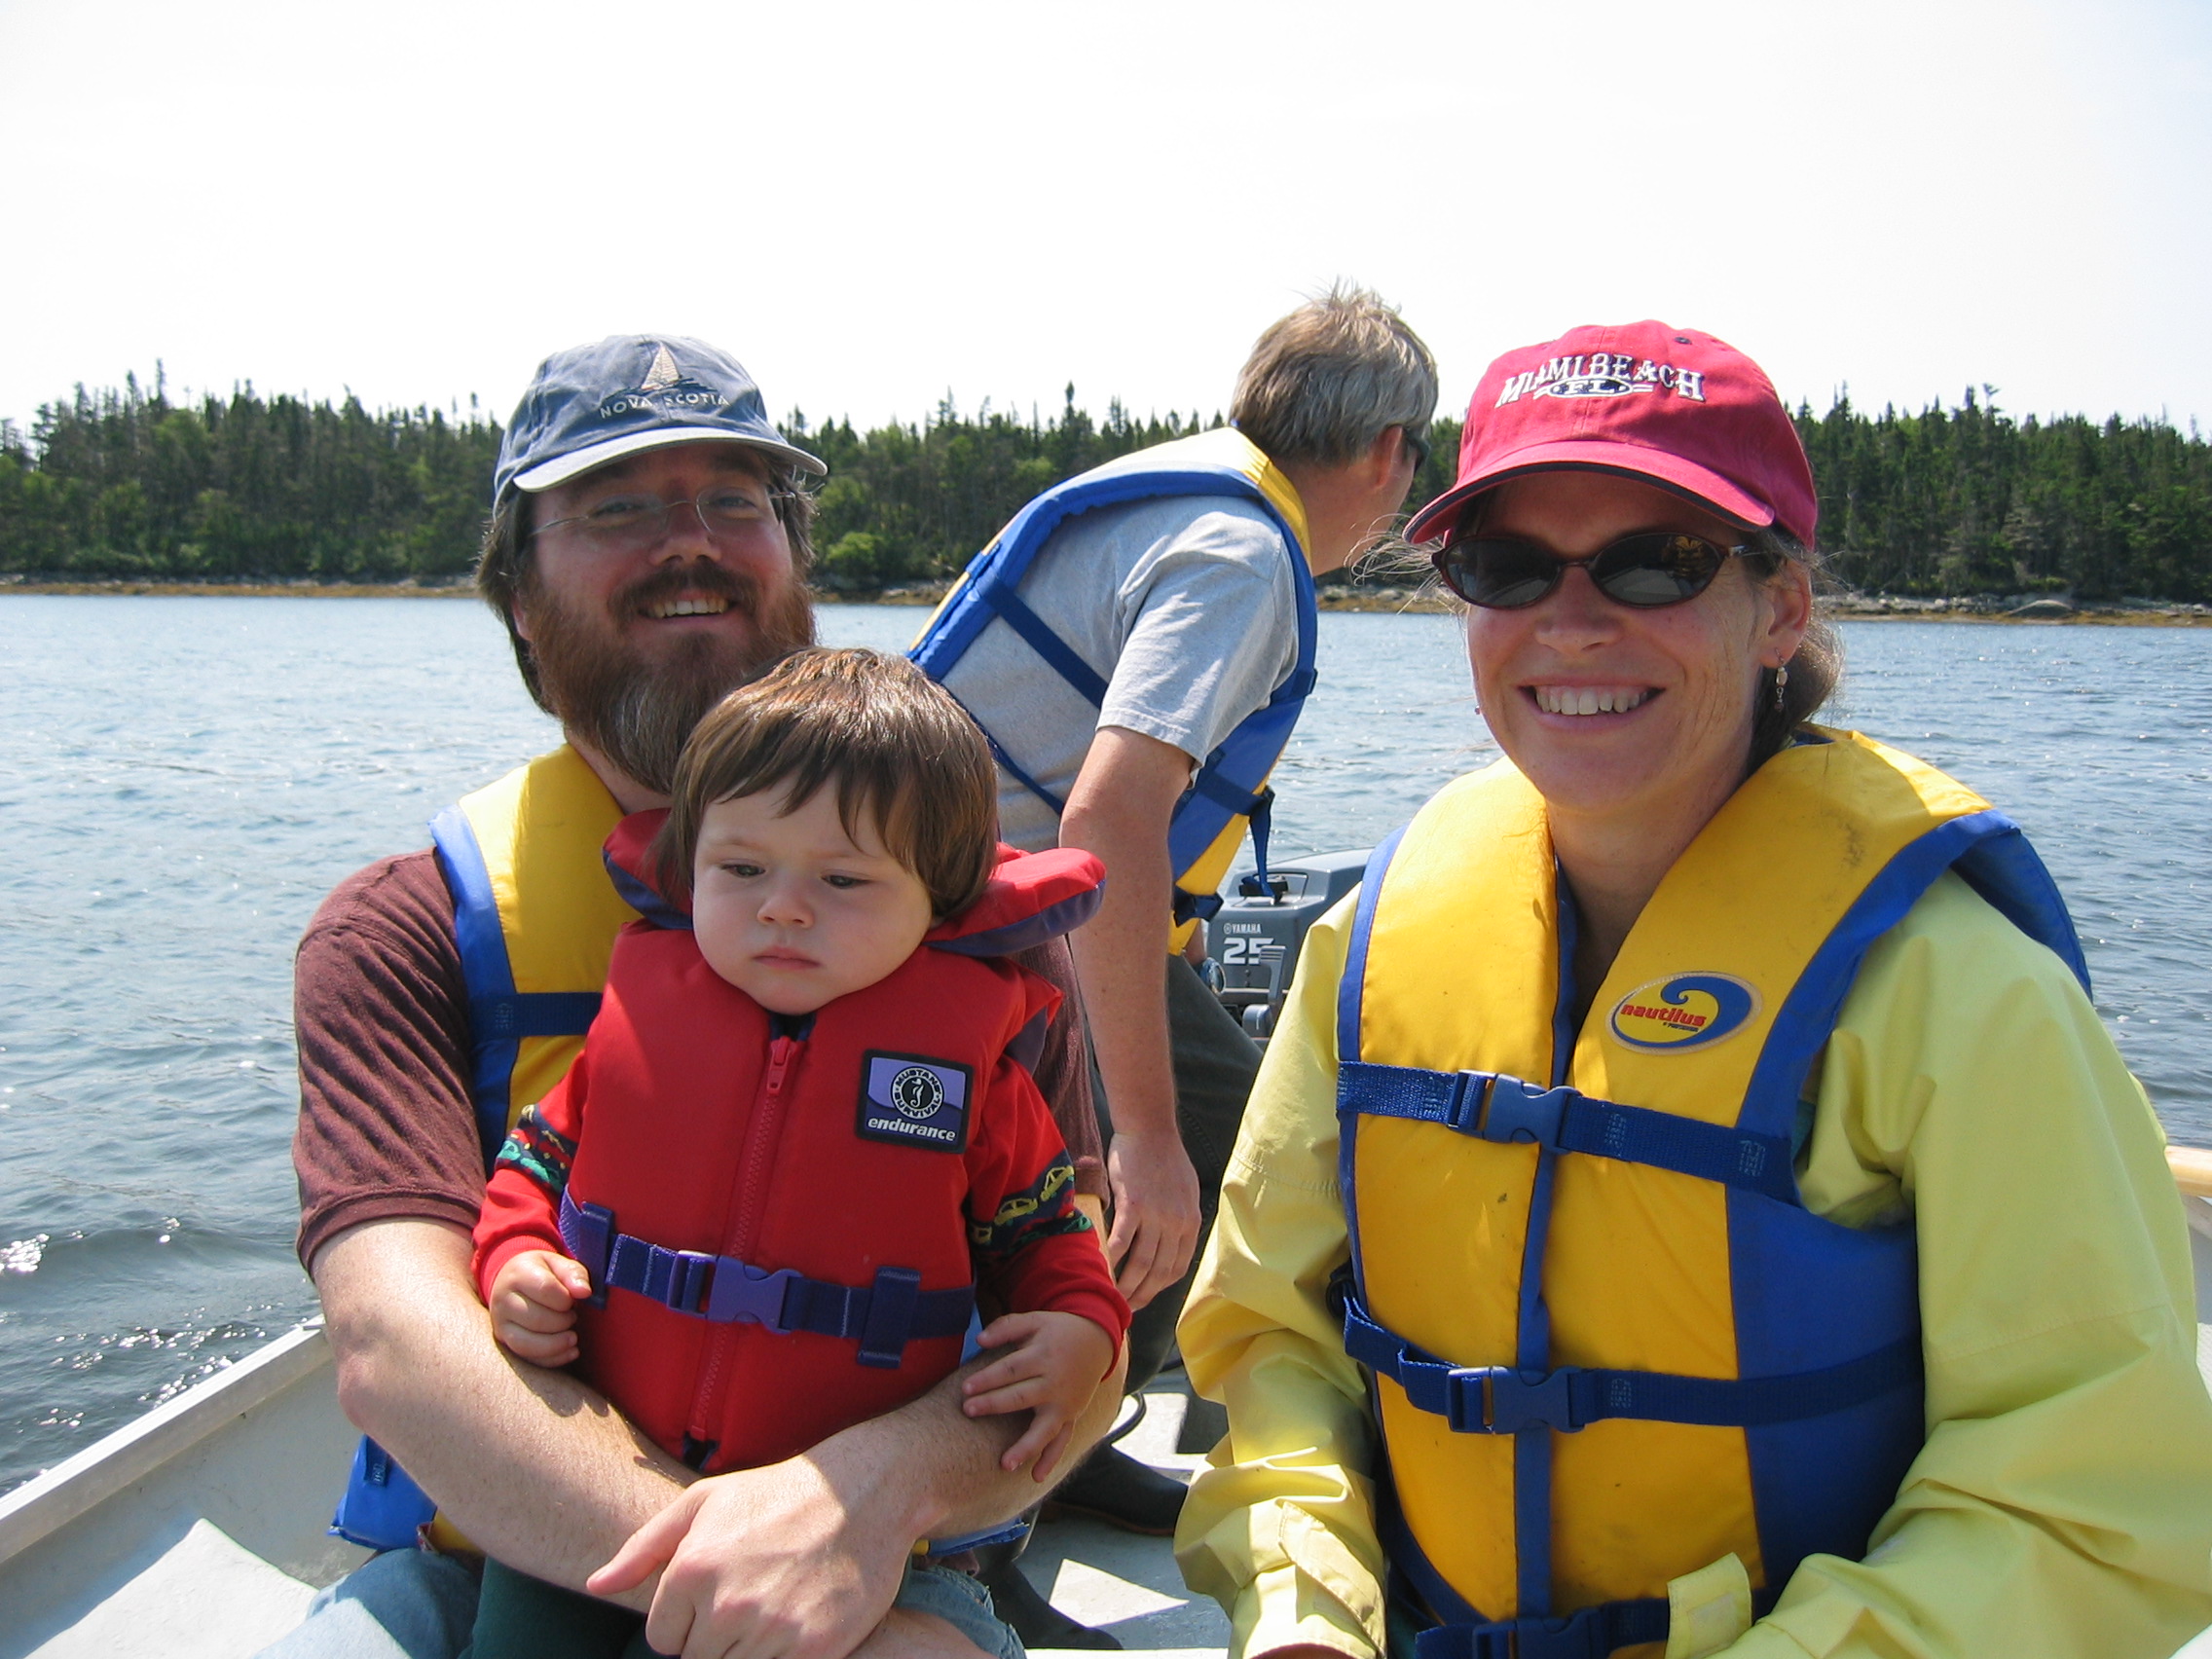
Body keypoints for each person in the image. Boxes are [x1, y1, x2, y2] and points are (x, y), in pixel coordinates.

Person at [1173, 320, 2212, 1659]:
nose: (1571, 622)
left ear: (1780, 607)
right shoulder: (1364, 950)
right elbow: (1273, 1340)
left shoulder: (1962, 996)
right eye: (1506, 565)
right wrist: (1305, 1609)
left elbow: (2084, 1504)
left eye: (1658, 562)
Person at [276, 336, 1128, 1659]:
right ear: (518, 595)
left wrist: (867, 1501)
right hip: (506, 1561)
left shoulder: (976, 943)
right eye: (616, 507)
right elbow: (400, 1348)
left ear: (794, 559)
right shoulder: (399, 932)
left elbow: (1069, 1327)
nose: (691, 543)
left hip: (878, 1565)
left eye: (738, 501)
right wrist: (735, 1571)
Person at [465, 647, 1130, 1659]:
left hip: (837, 1534)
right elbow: (532, 1167)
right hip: (600, 1488)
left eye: (843, 879)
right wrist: (513, 1258)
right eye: (740, 870)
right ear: (689, 866)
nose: (781, 905)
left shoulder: (974, 1079)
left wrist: (1083, 1330)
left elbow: (1045, 1238)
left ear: (939, 899)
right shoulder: (634, 1028)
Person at [913, 287, 1437, 1531]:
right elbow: (1107, 817)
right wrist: (1141, 1135)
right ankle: (1006, 1482)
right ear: (1387, 453)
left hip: (933, 888)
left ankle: (1071, 1434)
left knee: (1217, 1126)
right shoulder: (1244, 556)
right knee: (1231, 1147)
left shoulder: (1185, 500)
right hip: (992, 921)